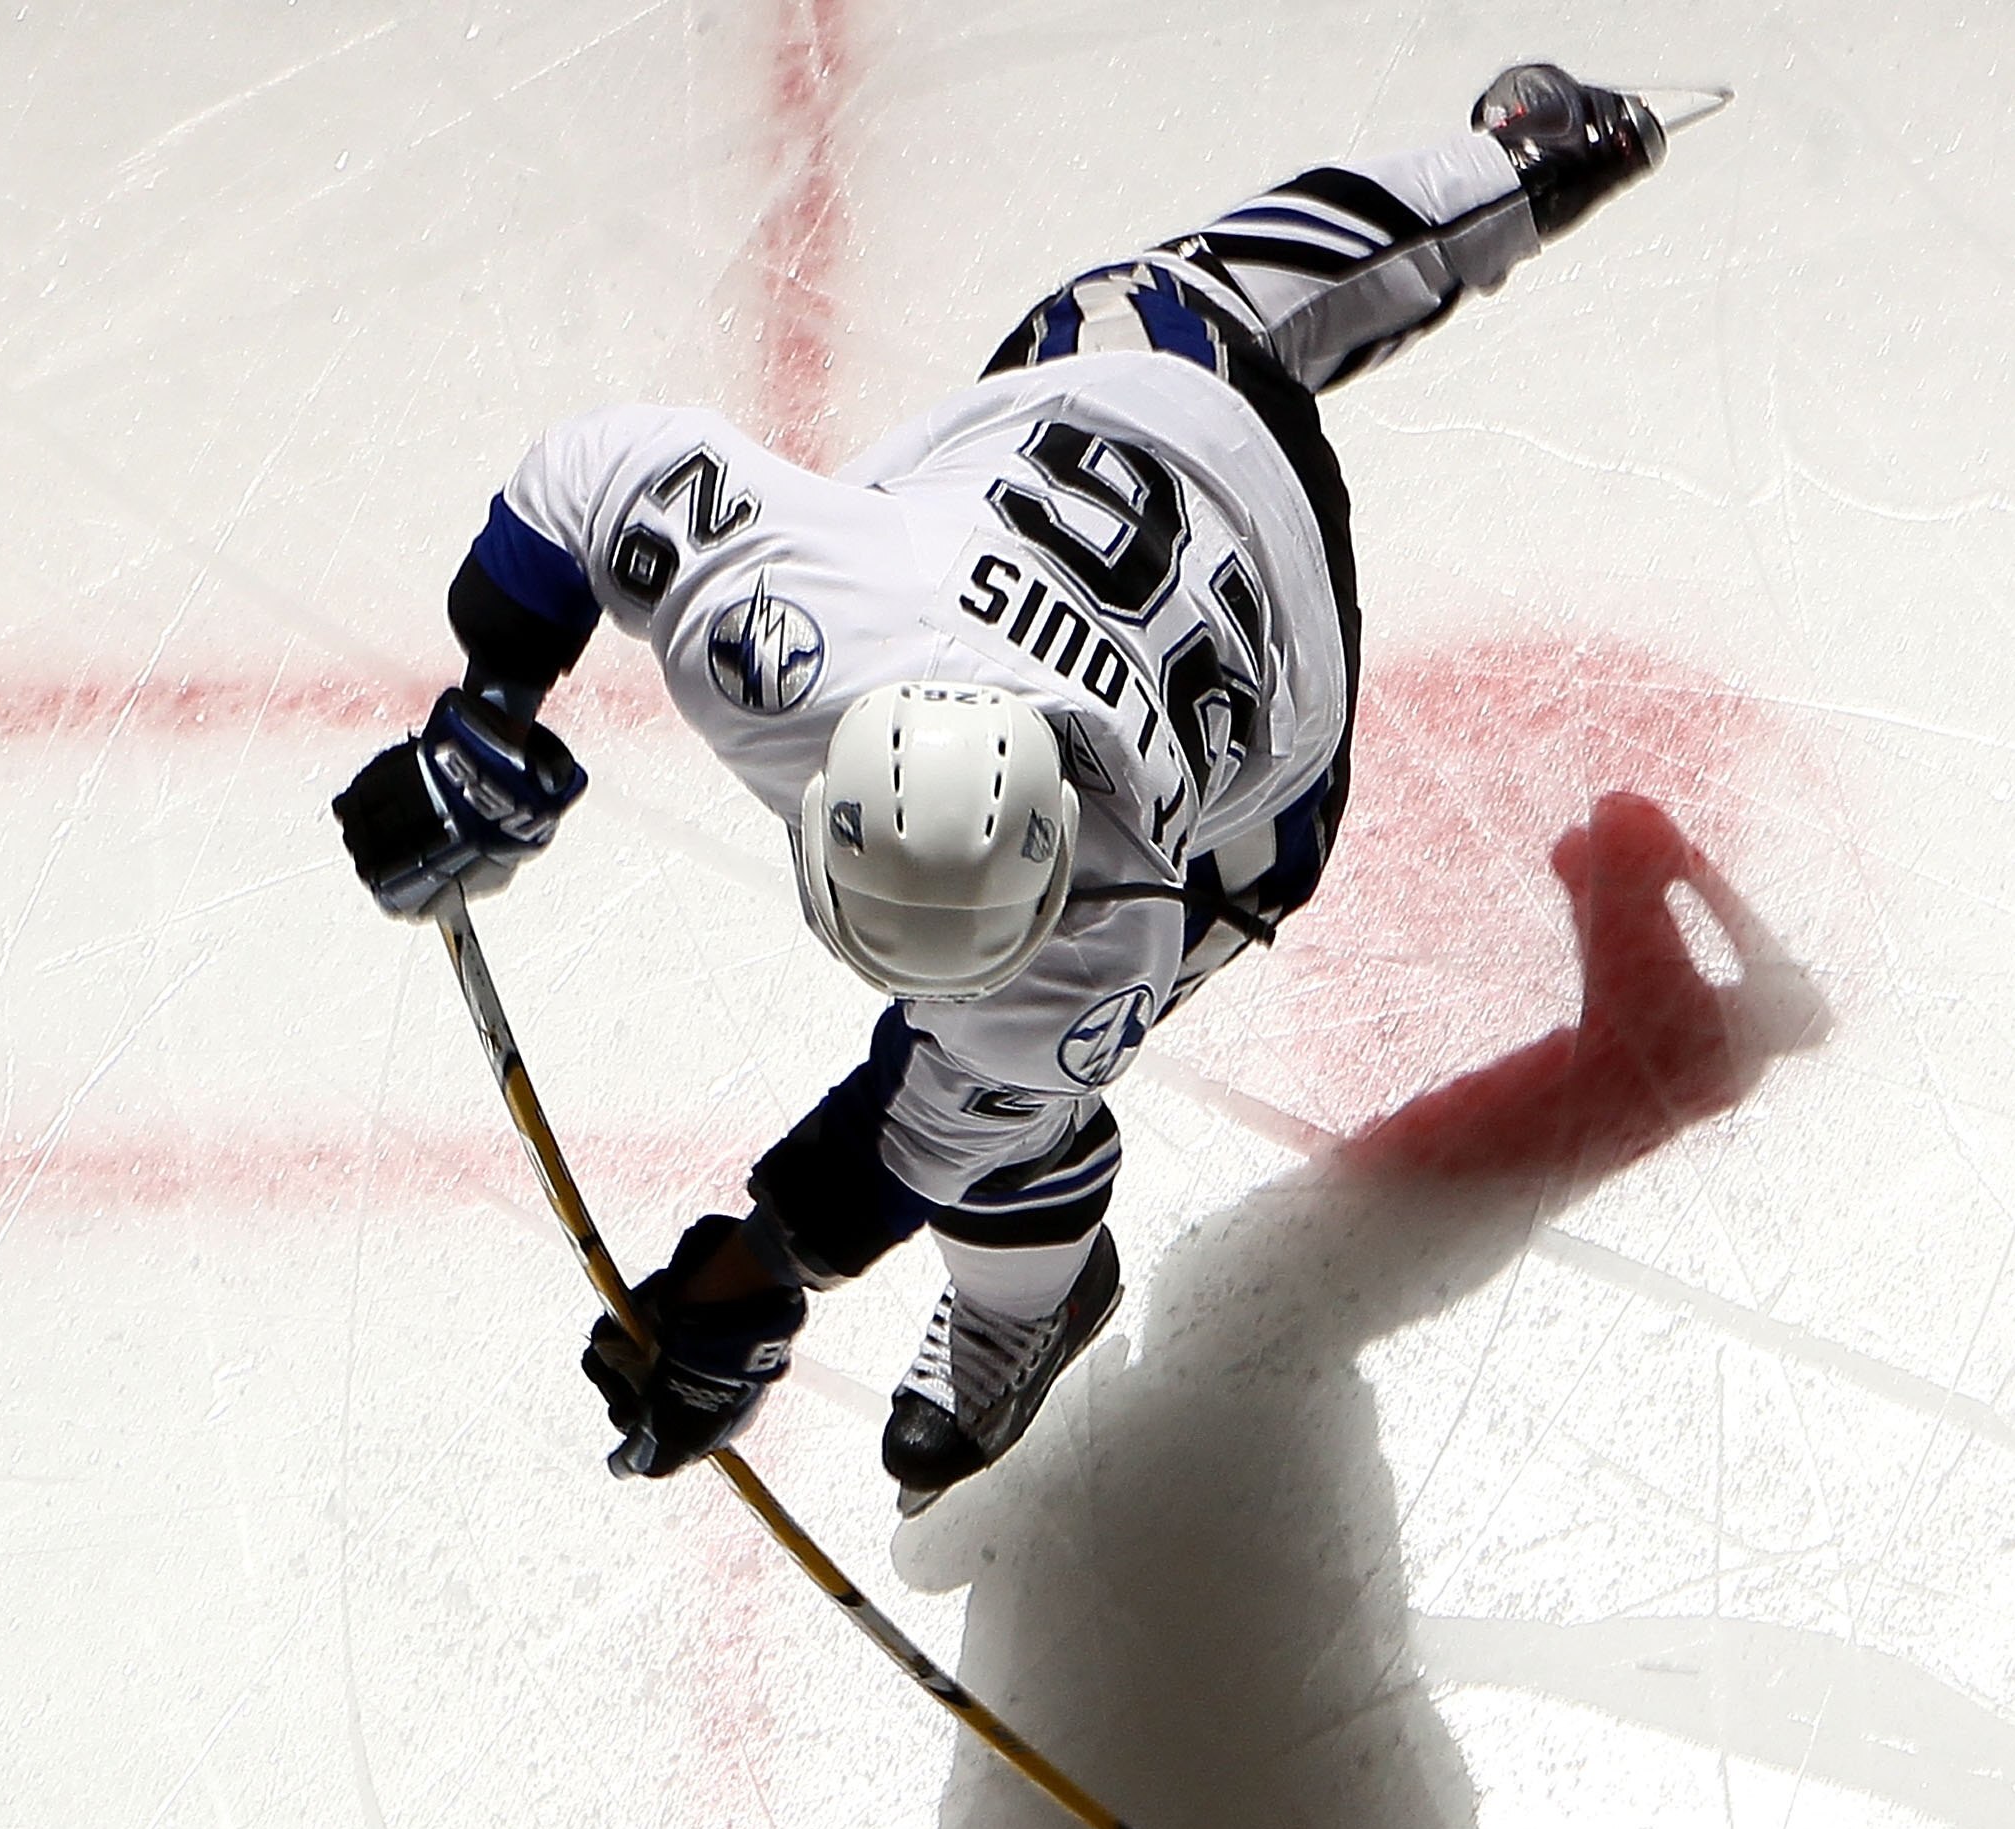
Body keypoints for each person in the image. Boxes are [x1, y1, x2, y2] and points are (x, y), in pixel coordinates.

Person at [333, 64, 1676, 1510]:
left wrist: (494, 694)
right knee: (1242, 293)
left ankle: (1030, 1298)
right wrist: (486, 706)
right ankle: (1516, 170)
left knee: (1016, 1124)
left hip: (1259, 693)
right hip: (1132, 414)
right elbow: (589, 478)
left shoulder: (1100, 917)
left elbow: (918, 1127)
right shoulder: (797, 647)